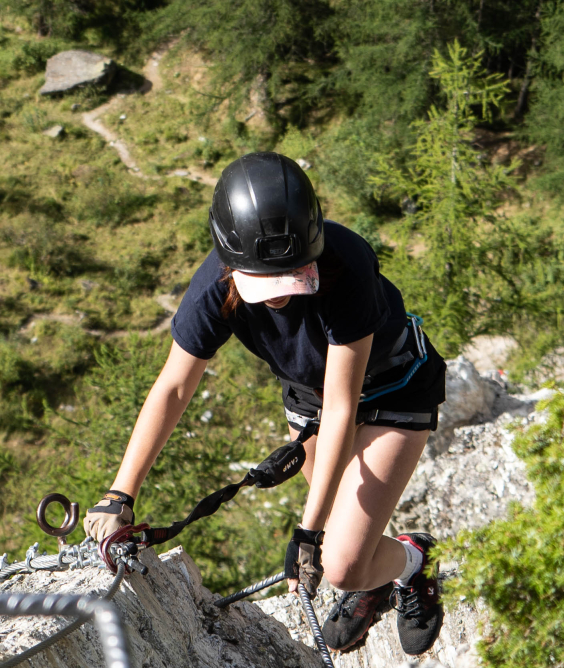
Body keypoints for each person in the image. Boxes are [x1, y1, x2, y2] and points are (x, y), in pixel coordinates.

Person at [82, 151, 447, 656]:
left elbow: (343, 407)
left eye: (293, 275)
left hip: (393, 388)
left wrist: (308, 532)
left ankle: (412, 564)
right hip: (311, 397)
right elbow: (173, 387)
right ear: (231, 263)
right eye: (264, 281)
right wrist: (120, 493)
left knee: (339, 562)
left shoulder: (345, 265)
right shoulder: (214, 288)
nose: (279, 295)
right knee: (348, 550)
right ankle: (376, 580)